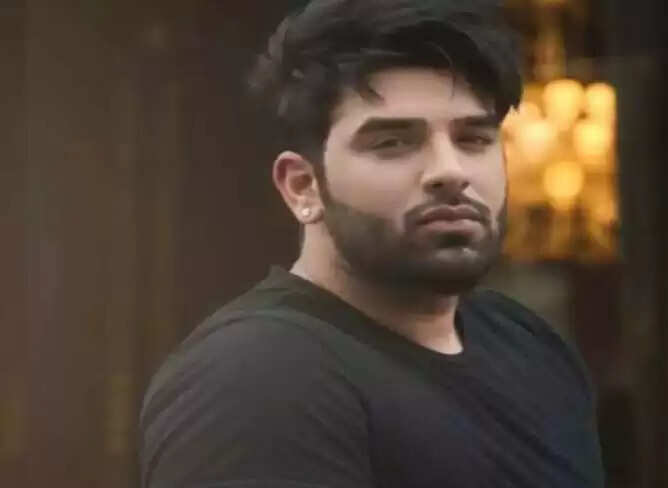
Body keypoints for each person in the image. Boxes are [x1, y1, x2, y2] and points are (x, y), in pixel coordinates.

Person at [139, 1, 605, 486]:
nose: (450, 171)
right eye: (393, 143)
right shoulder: (256, 378)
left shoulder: (529, 345)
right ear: (303, 187)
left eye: (473, 139)